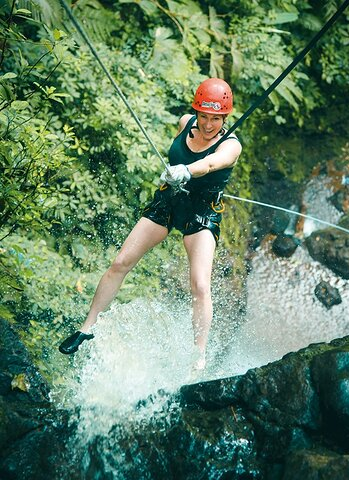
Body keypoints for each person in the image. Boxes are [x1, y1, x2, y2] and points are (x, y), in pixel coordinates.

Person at [58, 78, 243, 371]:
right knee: (121, 262)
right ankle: (87, 327)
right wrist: (173, 172)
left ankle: (199, 354)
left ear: (225, 117)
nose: (208, 125)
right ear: (196, 112)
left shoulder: (231, 146)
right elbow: (179, 149)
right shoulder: (185, 123)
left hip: (203, 209)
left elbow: (208, 165)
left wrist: (185, 170)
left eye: (216, 119)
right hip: (169, 199)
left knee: (200, 283)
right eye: (204, 116)